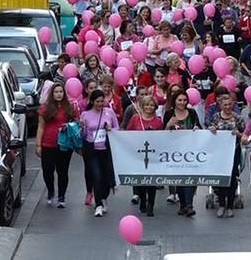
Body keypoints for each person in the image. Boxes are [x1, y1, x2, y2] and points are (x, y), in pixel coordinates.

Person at [79, 89, 119, 217]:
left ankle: (103, 197)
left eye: (102, 101)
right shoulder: (85, 115)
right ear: (92, 101)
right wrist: (83, 127)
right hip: (92, 150)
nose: (100, 104)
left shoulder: (109, 112)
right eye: (97, 102)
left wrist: (110, 129)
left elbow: (117, 128)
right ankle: (98, 205)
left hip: (106, 149)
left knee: (106, 178)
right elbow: (83, 135)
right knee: (96, 176)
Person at [35, 82, 75, 208]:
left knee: (63, 171)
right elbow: (40, 127)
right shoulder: (45, 108)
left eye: (61, 92)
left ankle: (62, 196)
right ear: (52, 94)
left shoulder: (69, 107)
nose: (59, 94)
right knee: (48, 171)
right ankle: (51, 190)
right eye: (56, 92)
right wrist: (38, 145)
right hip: (48, 144)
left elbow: (76, 125)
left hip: (64, 145)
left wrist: (68, 126)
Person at [163, 89, 201, 217]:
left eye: (184, 100)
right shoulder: (169, 114)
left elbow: (199, 127)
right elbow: (162, 133)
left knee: (190, 177)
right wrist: (169, 125)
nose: (182, 102)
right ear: (174, 101)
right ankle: (183, 205)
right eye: (180, 100)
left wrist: (197, 129)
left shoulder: (192, 113)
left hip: (190, 151)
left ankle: (189, 205)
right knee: (179, 178)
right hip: (175, 152)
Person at [207, 93, 245, 218]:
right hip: (219, 152)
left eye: (230, 104)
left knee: (232, 177)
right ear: (220, 105)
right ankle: (221, 204)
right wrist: (212, 129)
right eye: (225, 105)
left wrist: (238, 134)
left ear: (233, 104)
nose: (227, 107)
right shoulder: (215, 117)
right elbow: (209, 134)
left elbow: (245, 136)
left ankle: (230, 205)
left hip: (234, 151)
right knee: (221, 178)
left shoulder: (238, 118)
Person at [126, 95, 164, 217]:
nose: (149, 107)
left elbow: (163, 138)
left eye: (151, 105)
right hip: (138, 154)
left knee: (151, 181)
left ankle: (150, 205)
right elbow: (128, 133)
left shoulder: (158, 121)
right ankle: (142, 200)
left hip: (152, 155)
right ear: (142, 106)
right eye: (146, 105)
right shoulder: (136, 119)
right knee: (141, 181)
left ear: (155, 107)